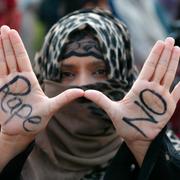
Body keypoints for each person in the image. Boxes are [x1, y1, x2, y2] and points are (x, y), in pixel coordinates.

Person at [0, 9, 180, 180]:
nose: (83, 85)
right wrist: (12, 143)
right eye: (67, 73)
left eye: (100, 71)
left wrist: (145, 149)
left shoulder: (161, 145)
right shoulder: (15, 132)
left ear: (123, 75)